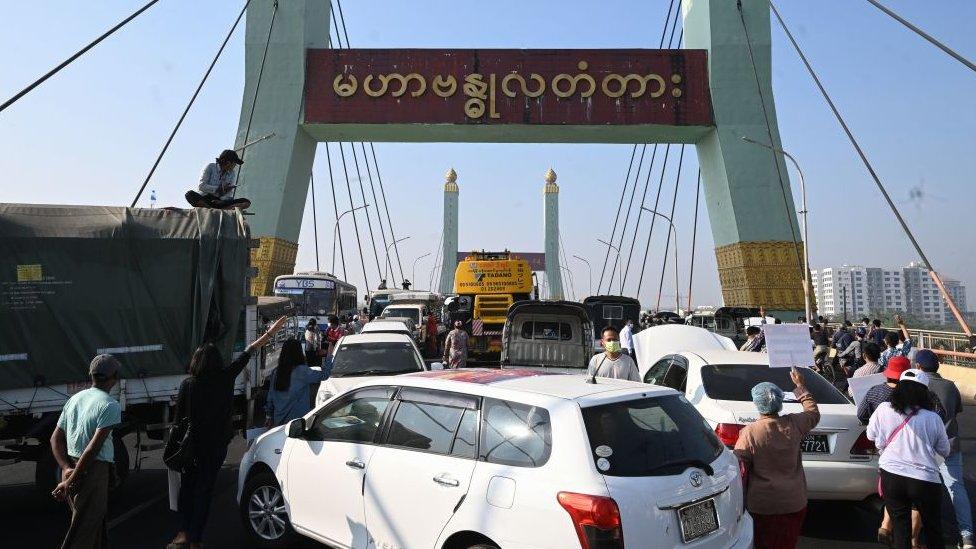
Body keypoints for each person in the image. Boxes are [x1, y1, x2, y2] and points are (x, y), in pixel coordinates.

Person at [168, 316, 288, 549]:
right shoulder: (224, 378)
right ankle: (196, 539)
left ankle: (183, 532)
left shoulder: (188, 385)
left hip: (191, 447)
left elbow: (178, 421)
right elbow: (248, 352)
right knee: (205, 491)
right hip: (215, 446)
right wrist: (271, 333)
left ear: (196, 361)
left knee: (187, 490)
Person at [734, 368, 819, 549]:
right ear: (780, 402)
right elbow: (812, 413)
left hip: (762, 505)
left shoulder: (749, 433)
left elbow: (739, 468)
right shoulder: (795, 424)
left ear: (757, 404)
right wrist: (800, 386)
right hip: (794, 501)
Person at [867, 370, 951, 549]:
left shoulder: (883, 409)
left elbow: (871, 435)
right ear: (924, 393)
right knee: (933, 529)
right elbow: (944, 449)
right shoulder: (933, 418)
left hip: (892, 475)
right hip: (926, 479)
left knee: (900, 528)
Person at [50, 354, 123, 549]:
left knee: (94, 525)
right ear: (114, 377)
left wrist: (66, 468)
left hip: (74, 465)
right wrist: (68, 482)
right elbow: (92, 449)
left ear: (91, 375)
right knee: (83, 530)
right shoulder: (110, 404)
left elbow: (55, 438)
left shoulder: (75, 399)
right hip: (93, 470)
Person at [915, 349, 973, 549]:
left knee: (921, 488)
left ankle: (918, 531)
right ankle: (967, 537)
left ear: (918, 367)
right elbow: (956, 410)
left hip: (925, 446)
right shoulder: (950, 386)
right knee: (956, 488)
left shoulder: (917, 387)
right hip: (950, 444)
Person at [265, 339, 329, 427]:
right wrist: (329, 356)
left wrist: (269, 416)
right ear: (299, 353)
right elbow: (325, 375)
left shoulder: (276, 372)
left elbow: (270, 397)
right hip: (297, 424)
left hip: (278, 422)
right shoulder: (302, 371)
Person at [184, 150, 250, 209]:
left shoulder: (232, 174)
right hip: (205, 199)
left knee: (246, 202)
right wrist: (218, 188)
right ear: (228, 162)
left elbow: (229, 193)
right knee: (189, 195)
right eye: (234, 163)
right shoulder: (210, 167)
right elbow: (201, 186)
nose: (235, 166)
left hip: (219, 201)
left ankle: (218, 208)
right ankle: (212, 208)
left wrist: (221, 201)